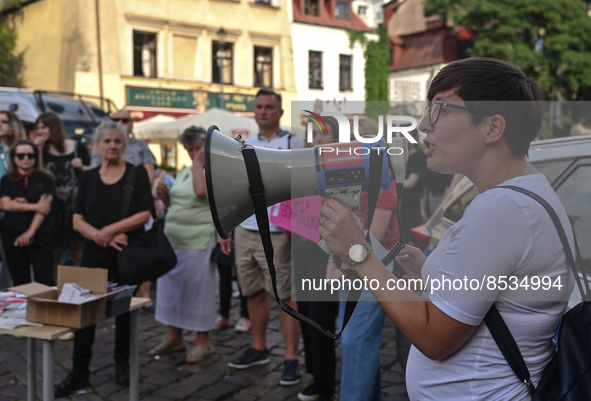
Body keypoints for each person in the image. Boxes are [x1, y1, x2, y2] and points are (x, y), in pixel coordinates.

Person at [317, 57, 575, 400]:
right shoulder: (525, 193)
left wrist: (357, 252)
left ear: (492, 128)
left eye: (440, 110)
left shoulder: (502, 209)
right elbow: (498, 295)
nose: (423, 124)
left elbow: (433, 338)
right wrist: (428, 272)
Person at [54, 121, 153, 397]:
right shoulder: (87, 178)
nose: (112, 146)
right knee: (84, 312)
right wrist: (102, 235)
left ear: (125, 145)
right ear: (97, 146)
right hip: (93, 253)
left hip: (125, 254)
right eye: (107, 141)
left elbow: (144, 214)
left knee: (123, 312)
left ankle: (122, 364)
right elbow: (76, 220)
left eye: (117, 141)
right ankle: (79, 372)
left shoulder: (136, 175)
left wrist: (111, 231)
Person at [228, 89, 304, 386]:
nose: (263, 111)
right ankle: (259, 347)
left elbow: (302, 186)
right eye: (259, 107)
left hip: (278, 232)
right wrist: (230, 227)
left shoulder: (292, 142)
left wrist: (295, 225)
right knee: (252, 292)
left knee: (285, 295)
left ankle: (291, 357)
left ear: (280, 112)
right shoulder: (243, 144)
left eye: (269, 107)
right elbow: (234, 188)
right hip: (246, 230)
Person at [149, 126, 217, 363]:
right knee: (172, 290)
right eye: (189, 150)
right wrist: (164, 194)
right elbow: (174, 205)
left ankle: (203, 342)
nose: (193, 153)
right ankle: (174, 337)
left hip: (198, 239)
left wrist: (199, 163)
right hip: (173, 240)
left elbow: (201, 193)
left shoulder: (213, 170)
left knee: (198, 291)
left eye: (198, 148)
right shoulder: (186, 170)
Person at [90, 109, 157, 313]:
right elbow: (95, 178)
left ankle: (144, 297)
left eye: (124, 120)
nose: (120, 122)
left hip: (135, 203)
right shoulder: (99, 148)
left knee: (138, 256)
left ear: (131, 123)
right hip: (107, 211)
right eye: (115, 119)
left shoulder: (140, 146)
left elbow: (149, 175)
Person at [293, 117, 339, 401]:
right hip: (302, 248)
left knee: (321, 319)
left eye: (324, 136)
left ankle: (326, 385)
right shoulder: (300, 167)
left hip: (326, 253)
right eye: (314, 136)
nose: (318, 141)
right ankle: (315, 374)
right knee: (305, 316)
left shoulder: (340, 169)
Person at [33, 112, 90, 273]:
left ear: (54, 127)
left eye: (43, 127)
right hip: (53, 209)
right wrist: (37, 150)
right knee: (55, 255)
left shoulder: (77, 146)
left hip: (76, 208)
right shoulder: (40, 149)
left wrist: (82, 166)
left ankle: (82, 291)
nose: (39, 131)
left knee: (78, 253)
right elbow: (34, 173)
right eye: (37, 127)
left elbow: (93, 172)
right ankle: (56, 292)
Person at [0, 140, 54, 286]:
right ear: (14, 158)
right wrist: (34, 206)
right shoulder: (7, 179)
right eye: (21, 155)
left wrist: (30, 232)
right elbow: (5, 204)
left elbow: (45, 207)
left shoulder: (46, 178)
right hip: (12, 231)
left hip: (40, 232)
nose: (26, 159)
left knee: (44, 279)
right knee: (19, 280)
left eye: (30, 155)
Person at [0, 110, 26, 288]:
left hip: (19, 210)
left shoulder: (22, 150)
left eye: (3, 121)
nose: (0, 125)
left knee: (15, 261)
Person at [399, 129, 427, 242]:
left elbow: (411, 183)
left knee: (409, 242)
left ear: (415, 138)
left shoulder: (420, 157)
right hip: (398, 207)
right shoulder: (398, 157)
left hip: (411, 208)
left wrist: (391, 184)